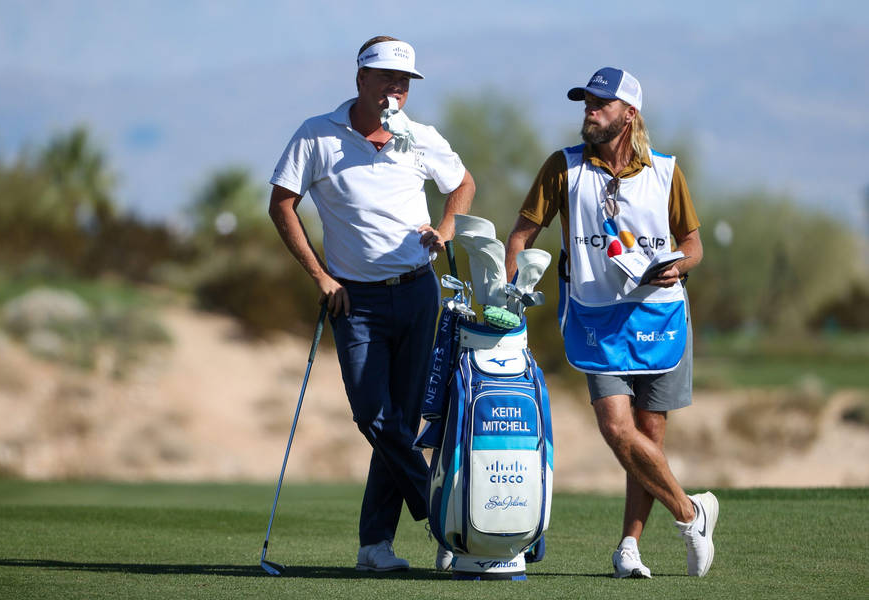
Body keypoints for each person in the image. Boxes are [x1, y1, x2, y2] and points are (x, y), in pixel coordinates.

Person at [268, 35, 475, 572]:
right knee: (374, 414)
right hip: (352, 299)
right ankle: (442, 513)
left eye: (404, 82)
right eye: (386, 78)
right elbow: (282, 204)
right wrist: (319, 275)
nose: (396, 89)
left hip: (417, 291)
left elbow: (463, 183)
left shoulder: (419, 137)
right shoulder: (317, 134)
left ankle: (374, 546)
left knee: (401, 419)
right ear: (360, 78)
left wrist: (447, 228)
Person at [505, 67, 717, 578]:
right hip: (596, 317)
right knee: (616, 427)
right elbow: (520, 238)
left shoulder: (666, 171)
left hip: (660, 315)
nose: (589, 109)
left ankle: (629, 548)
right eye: (586, 102)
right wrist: (507, 295)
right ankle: (692, 513)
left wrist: (679, 265)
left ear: (629, 114)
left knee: (648, 433)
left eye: (601, 103)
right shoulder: (563, 168)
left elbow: (694, 244)